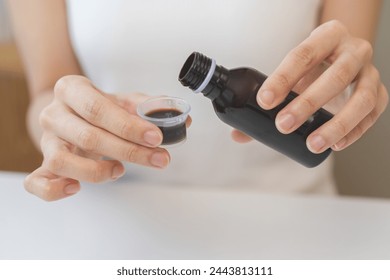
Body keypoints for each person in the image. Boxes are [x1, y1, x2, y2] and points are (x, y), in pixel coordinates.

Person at [7, 0, 388, 201]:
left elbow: (341, 72)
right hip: (113, 219)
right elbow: (47, 93)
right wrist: (64, 125)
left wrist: (348, 85)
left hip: (285, 217)